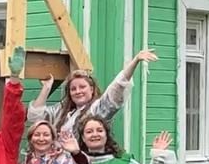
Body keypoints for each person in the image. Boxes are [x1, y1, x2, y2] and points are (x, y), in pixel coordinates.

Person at [27, 50, 158, 139]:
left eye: (82, 87)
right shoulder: (63, 112)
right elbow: (36, 117)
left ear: (91, 89)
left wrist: (135, 61)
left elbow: (116, 88)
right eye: (73, 89)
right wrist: (46, 88)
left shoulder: (96, 110)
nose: (78, 91)